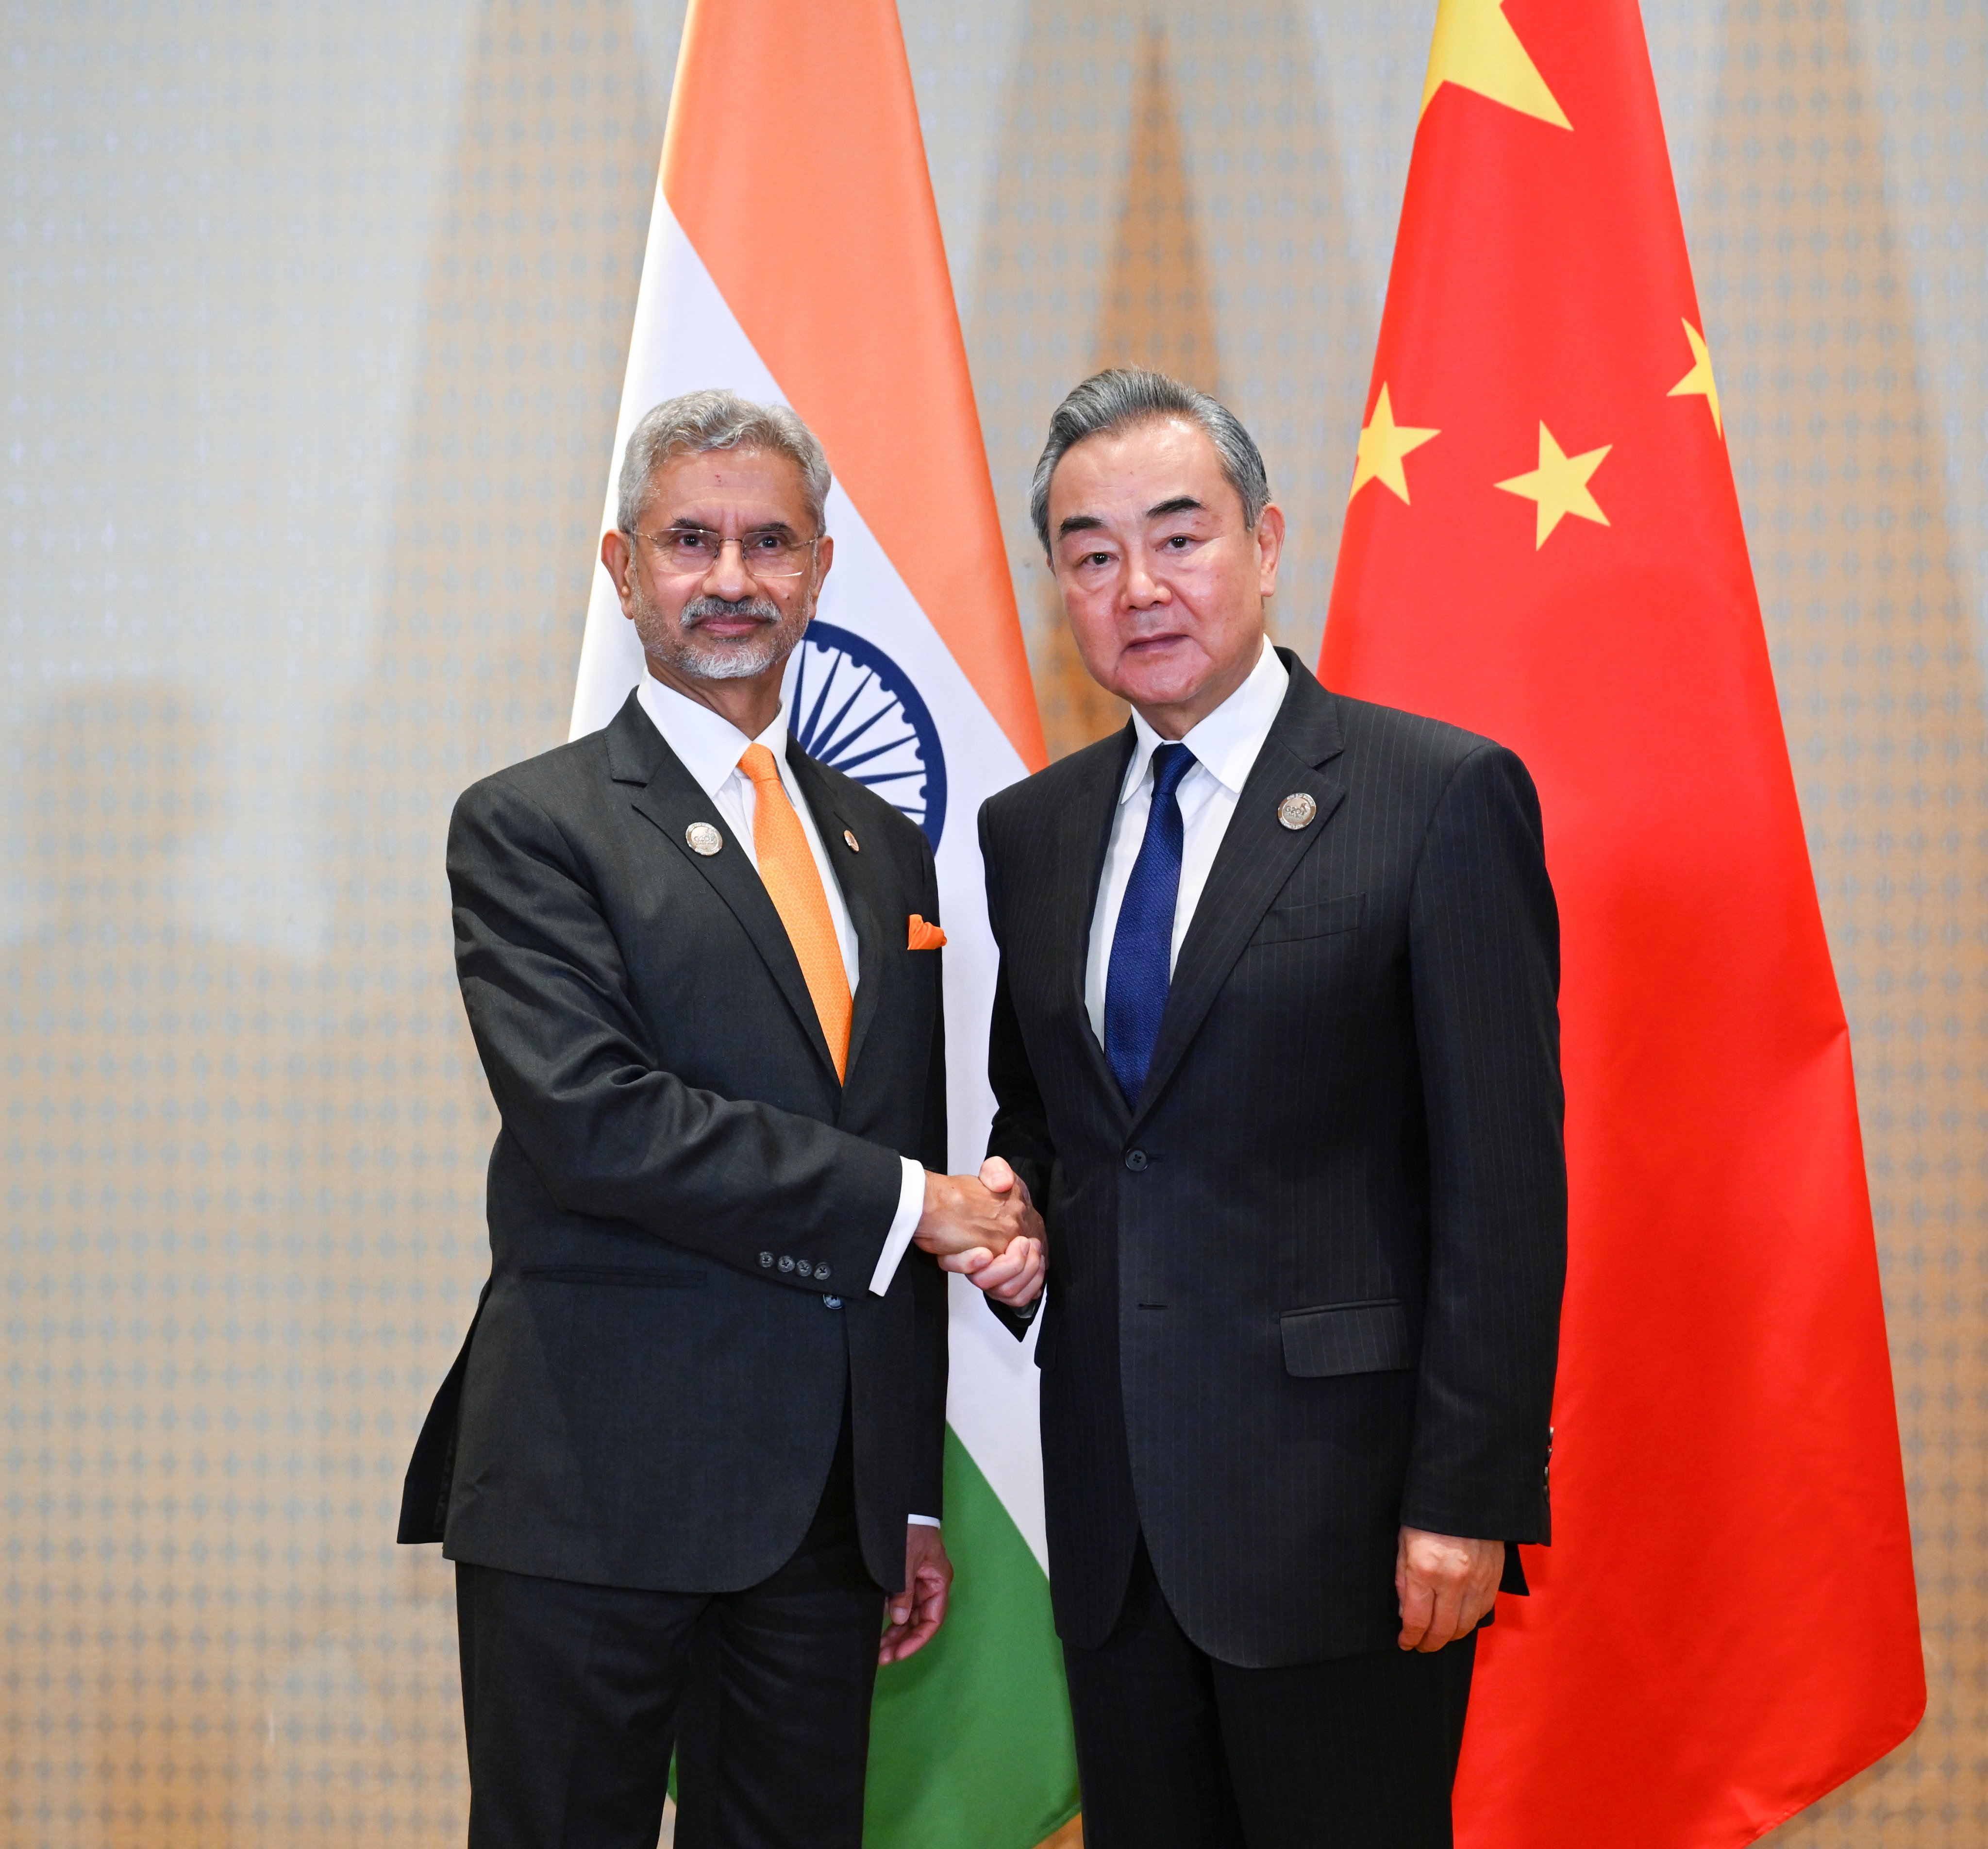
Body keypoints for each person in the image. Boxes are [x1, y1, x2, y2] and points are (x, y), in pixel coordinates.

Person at [399, 388, 1044, 1849]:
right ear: (622, 570)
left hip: (821, 1524)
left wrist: (908, 1500)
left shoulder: (885, 849)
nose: (733, 579)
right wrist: (913, 1203)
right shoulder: (532, 824)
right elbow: (595, 1122)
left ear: (820, 571)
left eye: (769, 543)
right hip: (592, 1495)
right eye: (691, 541)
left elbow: (896, 1116)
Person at [969, 369, 1565, 1848]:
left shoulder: (1434, 799)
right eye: (1091, 553)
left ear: (1269, 541)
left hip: (1348, 1523)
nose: (1139, 587)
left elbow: (1506, 1188)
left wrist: (1466, 1496)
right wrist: (1014, 1205)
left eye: (1180, 537)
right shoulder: (1030, 833)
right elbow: (1049, 1114)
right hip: (1115, 1531)